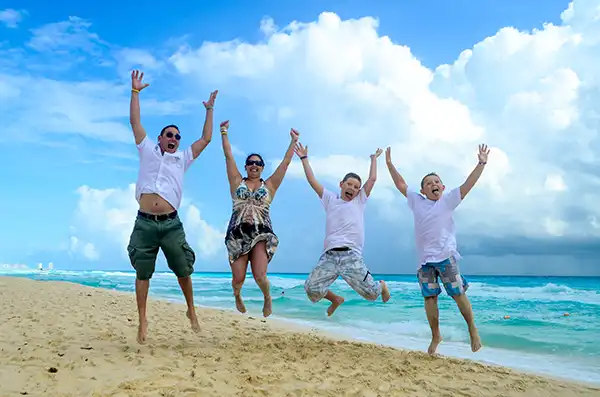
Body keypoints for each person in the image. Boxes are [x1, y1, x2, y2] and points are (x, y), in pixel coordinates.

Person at [126, 69, 218, 344]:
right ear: (160, 137)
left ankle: (191, 311)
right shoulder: (146, 149)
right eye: (170, 135)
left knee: (183, 269)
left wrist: (209, 110)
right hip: (144, 222)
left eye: (177, 136)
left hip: (171, 224)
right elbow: (135, 121)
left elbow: (206, 139)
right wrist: (135, 92)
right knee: (143, 272)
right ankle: (143, 321)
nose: (174, 139)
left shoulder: (183, 158)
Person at [385, 144, 488, 355]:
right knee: (429, 298)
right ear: (423, 190)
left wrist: (481, 163)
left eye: (436, 182)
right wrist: (389, 164)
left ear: (442, 187)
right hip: (424, 261)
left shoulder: (448, 200)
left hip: (445, 257)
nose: (433, 184)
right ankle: (435, 336)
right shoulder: (416, 201)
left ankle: (472, 329)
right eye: (428, 183)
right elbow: (400, 183)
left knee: (458, 294)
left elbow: (469, 184)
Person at [295, 142, 391, 316]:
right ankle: (335, 299)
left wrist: (373, 159)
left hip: (351, 256)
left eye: (356, 187)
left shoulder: (359, 200)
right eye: (350, 184)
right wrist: (304, 158)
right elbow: (311, 180)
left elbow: (372, 180)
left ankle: (382, 285)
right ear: (341, 184)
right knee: (311, 288)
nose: (353, 189)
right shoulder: (330, 199)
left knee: (372, 294)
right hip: (330, 255)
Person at [219, 120, 299, 317]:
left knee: (260, 275)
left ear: (262, 167)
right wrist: (223, 132)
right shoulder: (236, 181)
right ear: (246, 166)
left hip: (261, 233)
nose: (254, 165)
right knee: (238, 278)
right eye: (251, 163)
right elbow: (228, 157)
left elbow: (285, 164)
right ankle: (237, 295)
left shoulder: (270, 185)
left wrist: (293, 142)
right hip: (238, 232)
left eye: (258, 163)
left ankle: (267, 298)